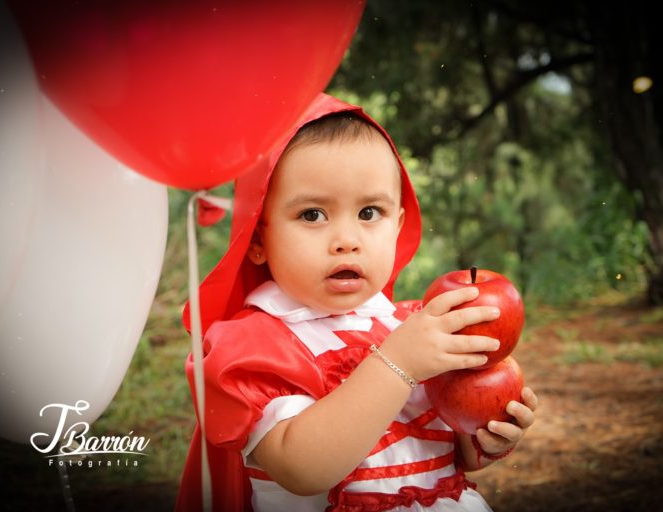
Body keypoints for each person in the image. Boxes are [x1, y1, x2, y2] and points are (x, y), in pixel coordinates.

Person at [176, 94, 538, 512]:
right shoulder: (255, 345)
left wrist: (480, 436)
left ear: (397, 225)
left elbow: (435, 451)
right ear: (258, 239)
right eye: (313, 215)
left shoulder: (412, 325)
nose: (347, 240)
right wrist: (398, 362)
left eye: (369, 213)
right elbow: (303, 468)